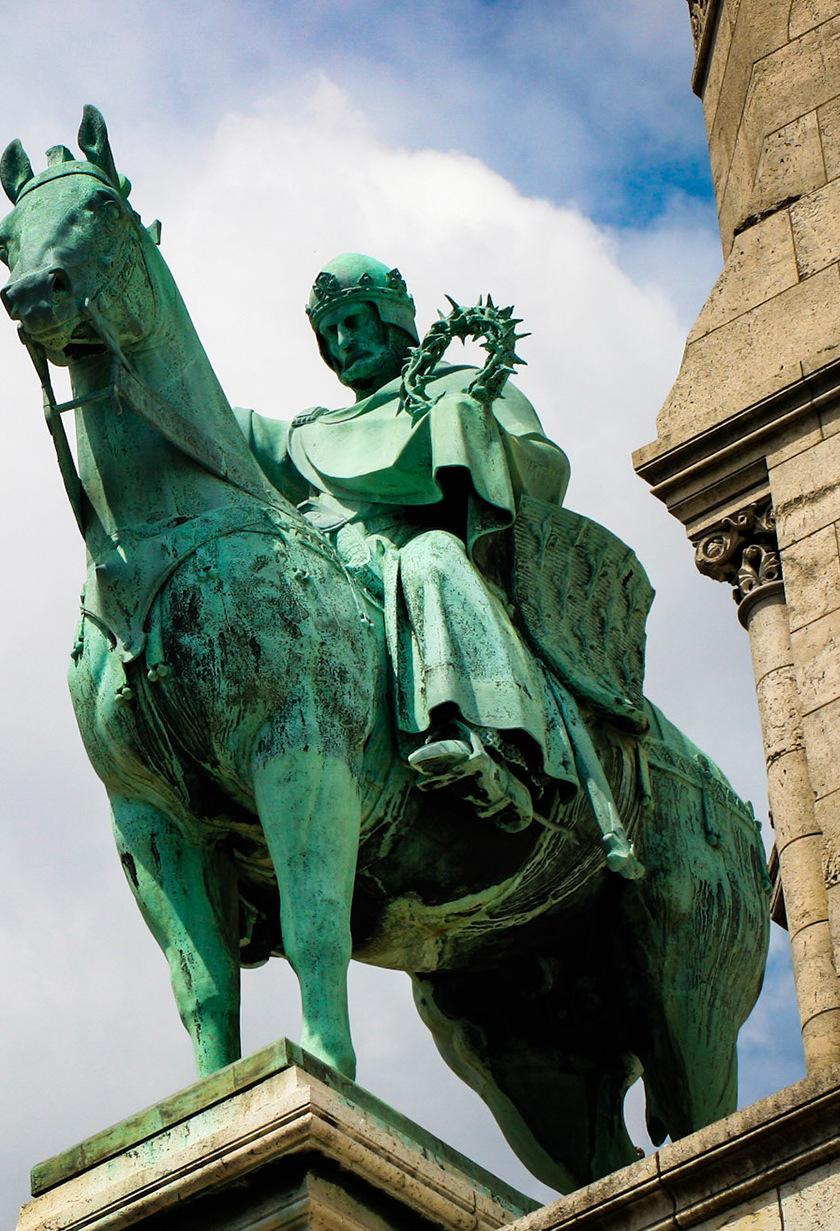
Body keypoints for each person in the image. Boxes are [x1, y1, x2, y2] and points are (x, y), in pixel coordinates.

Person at [235, 253, 594, 835]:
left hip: (427, 559)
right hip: (337, 564)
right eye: (330, 333)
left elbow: (546, 474)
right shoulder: (312, 433)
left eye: (354, 322)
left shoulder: (458, 389)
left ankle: (489, 744)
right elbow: (228, 430)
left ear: (392, 320)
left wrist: (470, 426)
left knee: (431, 556)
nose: (343, 341)